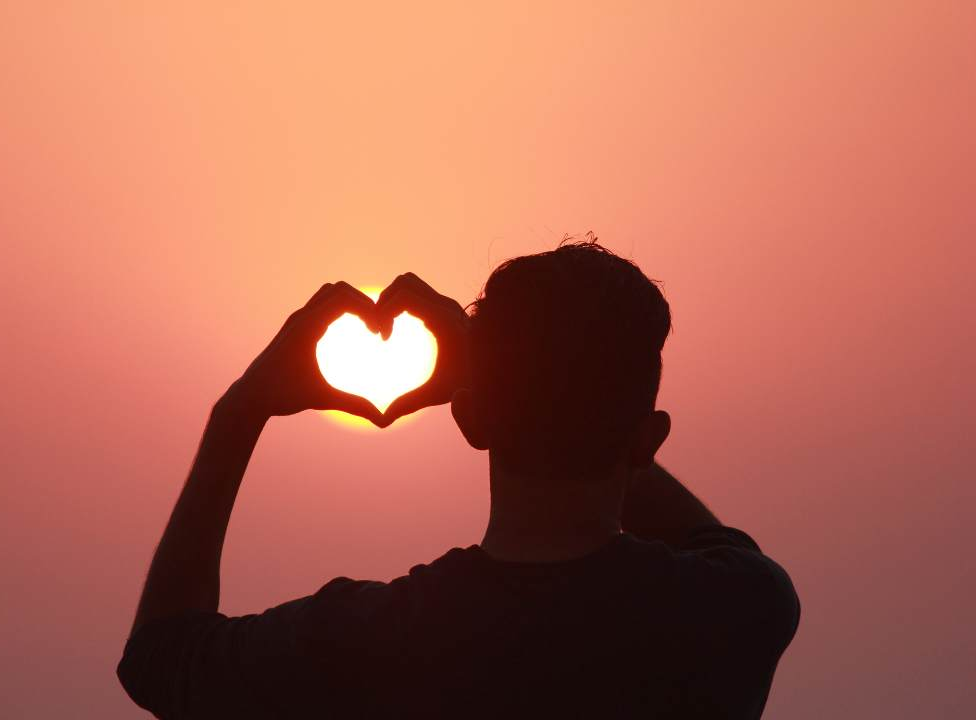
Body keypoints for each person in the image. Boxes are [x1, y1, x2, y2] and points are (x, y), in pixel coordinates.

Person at [117, 239, 800, 718]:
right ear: (647, 440)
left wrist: (239, 411)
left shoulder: (373, 640)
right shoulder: (735, 610)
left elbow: (159, 657)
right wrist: (505, 377)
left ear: (470, 421)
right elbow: (708, 538)